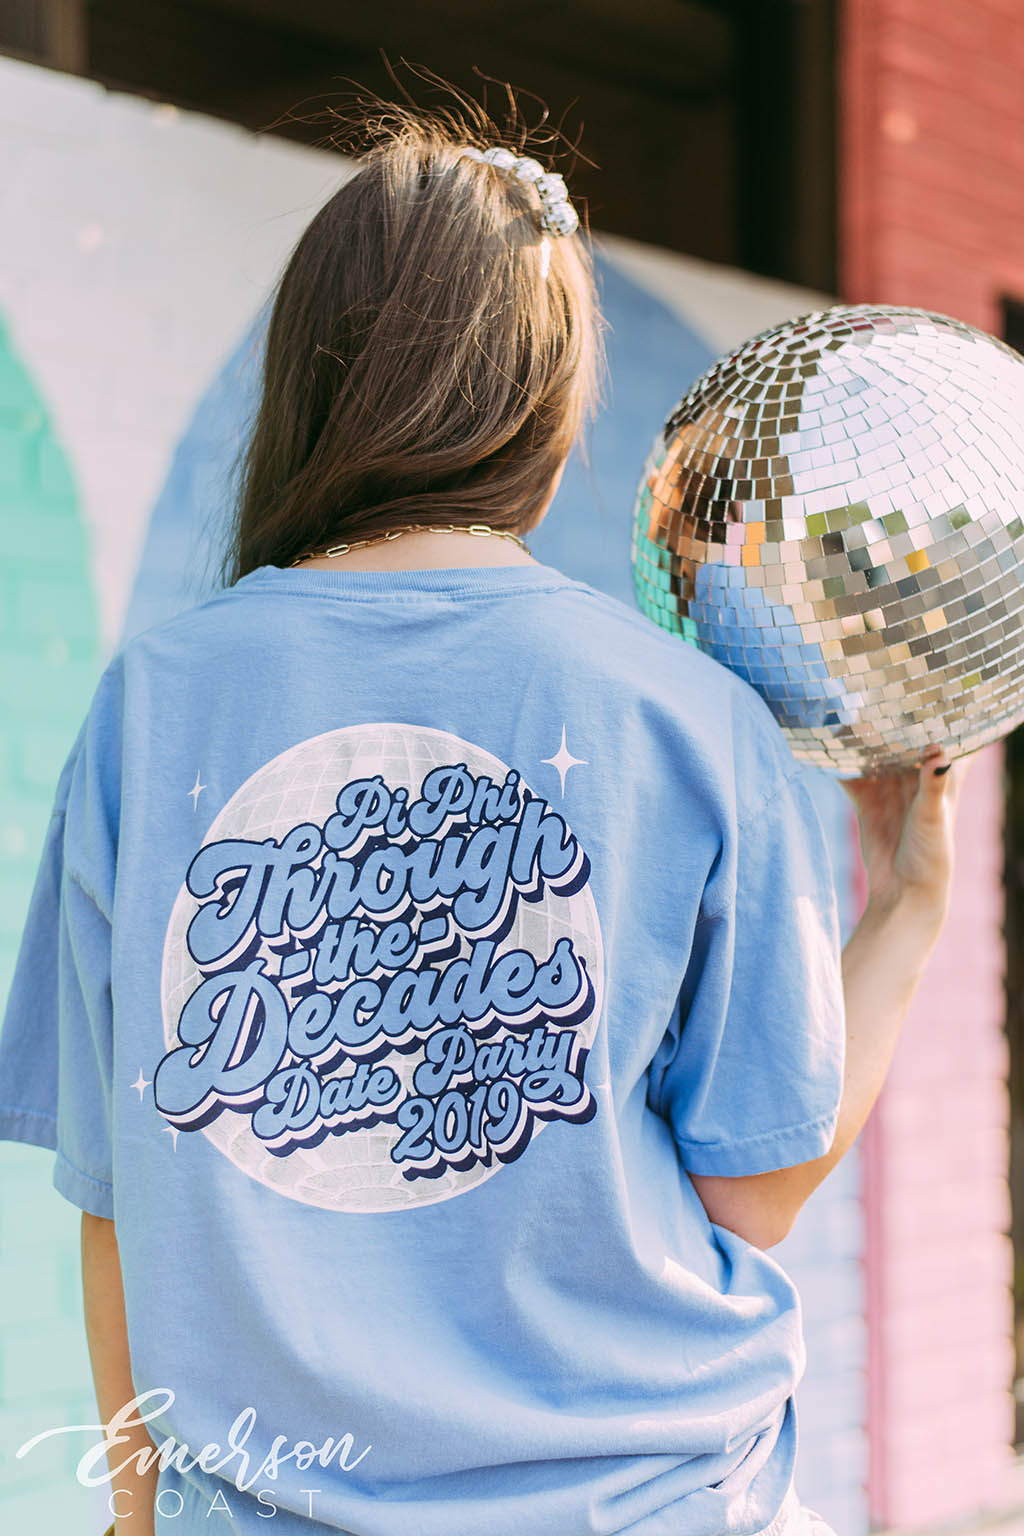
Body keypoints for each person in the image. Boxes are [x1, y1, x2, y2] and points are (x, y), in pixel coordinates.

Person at [0, 89, 966, 1536]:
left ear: (312, 380)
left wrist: (137, 1520)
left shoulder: (151, 705)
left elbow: (115, 1200)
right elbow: (754, 1197)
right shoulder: (692, 719)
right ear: (549, 415)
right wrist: (911, 909)